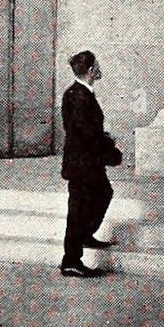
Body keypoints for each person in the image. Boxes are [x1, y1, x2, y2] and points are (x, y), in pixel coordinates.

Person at [60, 50, 120, 278]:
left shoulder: (78, 93)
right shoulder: (79, 95)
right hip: (83, 164)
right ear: (91, 70)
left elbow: (87, 130)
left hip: (86, 162)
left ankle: (85, 235)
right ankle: (71, 261)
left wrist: (104, 140)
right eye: (97, 64)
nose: (99, 68)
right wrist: (110, 151)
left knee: (102, 193)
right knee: (79, 209)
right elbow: (85, 134)